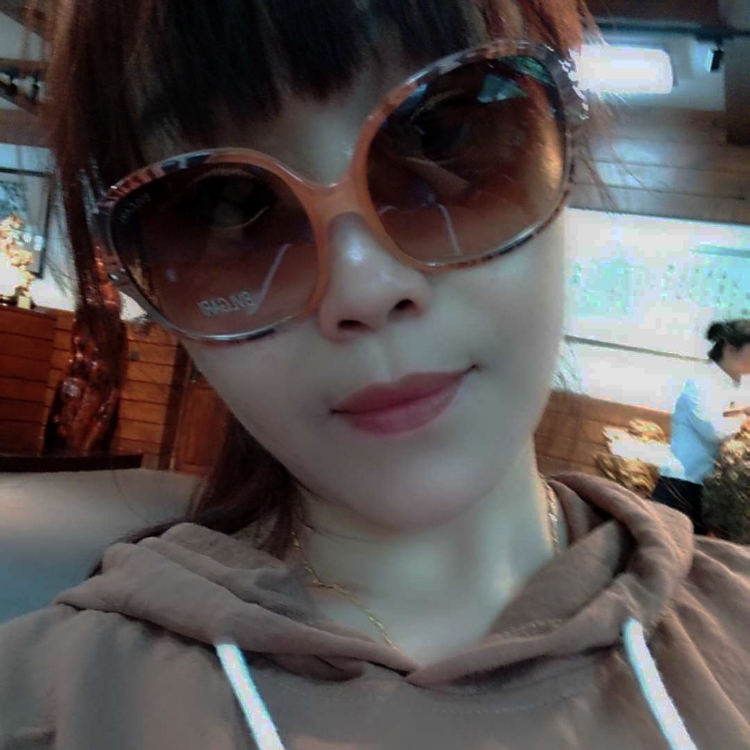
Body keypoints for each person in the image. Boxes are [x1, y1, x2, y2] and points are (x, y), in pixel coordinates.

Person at [1, 1, 750, 748]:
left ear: (564, 146)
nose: (363, 288)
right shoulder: (49, 708)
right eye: (227, 206)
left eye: (443, 133)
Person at [654, 319, 750, 534]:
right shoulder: (701, 382)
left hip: (708, 489)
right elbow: (716, 431)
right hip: (681, 484)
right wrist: (744, 416)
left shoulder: (737, 386)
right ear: (730, 347)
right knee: (667, 547)